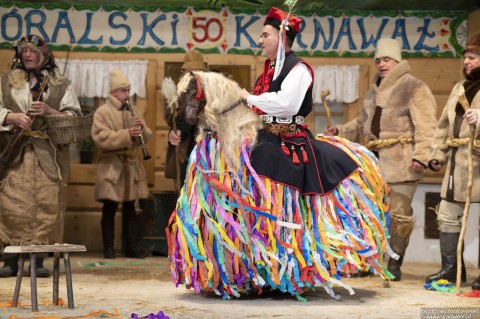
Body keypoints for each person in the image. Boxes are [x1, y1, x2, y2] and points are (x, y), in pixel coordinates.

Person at [168, 6, 391, 299]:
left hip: (291, 139)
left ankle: (289, 261)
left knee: (275, 174)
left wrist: (249, 96)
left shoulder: (298, 69)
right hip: (267, 134)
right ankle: (254, 263)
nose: (260, 40)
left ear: (282, 36)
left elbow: (286, 105)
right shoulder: (268, 71)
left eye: (265, 34)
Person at [324, 38, 438, 280]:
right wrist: (341, 130)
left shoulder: (414, 87)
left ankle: (394, 263)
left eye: (387, 59)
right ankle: (368, 262)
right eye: (378, 60)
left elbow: (427, 126)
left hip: (401, 162)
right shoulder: (373, 90)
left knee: (399, 216)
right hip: (373, 165)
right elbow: (361, 123)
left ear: (397, 61)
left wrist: (421, 156)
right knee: (370, 214)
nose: (382, 64)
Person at [0, 34, 82, 277]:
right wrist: (11, 117)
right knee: (12, 202)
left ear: (44, 54)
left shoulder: (61, 84)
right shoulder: (5, 81)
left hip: (48, 155)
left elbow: (75, 118)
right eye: (24, 51)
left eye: (33, 51)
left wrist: (50, 111)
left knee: (47, 203)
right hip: (14, 153)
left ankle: (39, 259)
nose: (28, 55)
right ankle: (11, 259)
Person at [426, 33, 480, 290]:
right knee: (447, 215)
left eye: (473, 57)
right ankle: (451, 269)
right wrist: (437, 154)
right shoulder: (459, 87)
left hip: (479, 164)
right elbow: (443, 126)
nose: (467, 62)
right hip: (457, 162)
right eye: (465, 58)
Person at [91, 69, 152, 259]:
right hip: (112, 166)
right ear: (113, 92)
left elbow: (147, 136)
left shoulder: (134, 110)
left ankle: (131, 248)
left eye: (128, 90)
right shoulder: (102, 112)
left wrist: (142, 129)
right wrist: (127, 134)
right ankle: (108, 248)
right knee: (109, 207)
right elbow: (101, 137)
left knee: (131, 208)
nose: (127, 95)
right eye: (124, 91)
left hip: (130, 167)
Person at [164, 51, 206, 189]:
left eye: (198, 71)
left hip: (205, 150)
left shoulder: (211, 92)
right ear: (184, 72)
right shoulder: (175, 93)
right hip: (183, 151)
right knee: (183, 192)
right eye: (191, 71)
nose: (194, 75)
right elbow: (171, 119)